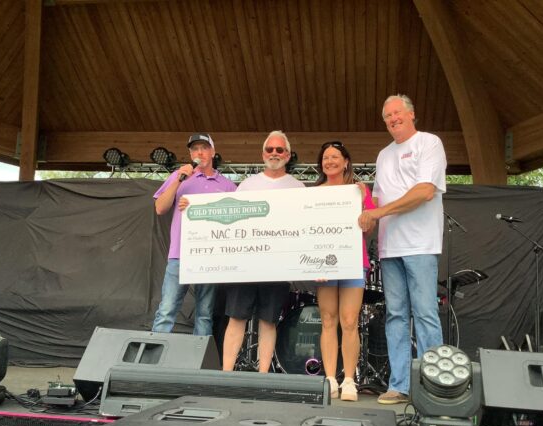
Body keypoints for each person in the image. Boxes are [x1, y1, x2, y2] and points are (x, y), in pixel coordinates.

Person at [358, 94, 447, 405]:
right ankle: (400, 386)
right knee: (395, 315)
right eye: (387, 116)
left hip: (421, 243)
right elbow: (377, 200)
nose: (393, 119)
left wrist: (378, 213)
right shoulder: (384, 155)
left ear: (411, 114)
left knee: (425, 313)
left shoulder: (429, 143)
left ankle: (434, 386)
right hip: (389, 246)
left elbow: (425, 191)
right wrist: (361, 205)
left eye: (397, 112)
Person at [223, 130, 305, 373]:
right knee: (236, 318)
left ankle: (263, 376)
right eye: (270, 149)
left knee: (269, 321)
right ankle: (226, 375)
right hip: (246, 265)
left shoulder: (298, 187)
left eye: (280, 149)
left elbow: (304, 227)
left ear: (288, 155)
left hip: (278, 267)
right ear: (263, 154)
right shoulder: (247, 185)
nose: (274, 153)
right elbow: (231, 221)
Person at [152, 133, 236, 336]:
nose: (200, 152)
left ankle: (200, 356)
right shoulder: (178, 176)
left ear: (213, 152)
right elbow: (160, 208)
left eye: (204, 148)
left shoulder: (227, 185)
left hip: (210, 257)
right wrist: (178, 181)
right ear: (190, 154)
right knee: (166, 310)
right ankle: (153, 354)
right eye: (195, 149)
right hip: (179, 255)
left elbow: (237, 218)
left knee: (205, 314)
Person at [313, 141, 376, 401]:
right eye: (325, 158)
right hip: (323, 264)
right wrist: (312, 262)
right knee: (328, 319)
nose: (329, 161)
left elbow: (369, 227)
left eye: (335, 157)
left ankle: (349, 380)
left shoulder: (359, 190)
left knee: (349, 320)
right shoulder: (313, 193)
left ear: (346, 161)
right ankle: (330, 379)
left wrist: (364, 210)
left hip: (353, 261)